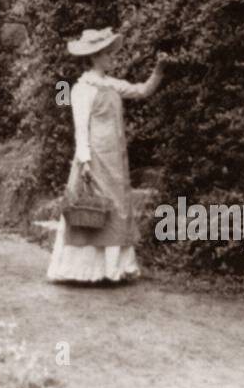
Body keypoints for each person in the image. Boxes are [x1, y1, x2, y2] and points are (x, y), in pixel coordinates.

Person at [47, 27, 166, 284]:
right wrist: (84, 161)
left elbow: (142, 91)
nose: (112, 57)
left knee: (117, 208)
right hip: (95, 157)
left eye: (111, 53)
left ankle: (114, 269)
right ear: (95, 57)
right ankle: (85, 270)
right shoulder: (82, 89)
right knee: (93, 208)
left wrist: (158, 71)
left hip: (115, 157)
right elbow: (81, 127)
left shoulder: (110, 83)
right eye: (107, 54)